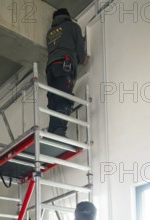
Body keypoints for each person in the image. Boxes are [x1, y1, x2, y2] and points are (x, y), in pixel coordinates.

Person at [45, 8, 89, 136]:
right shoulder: (72, 26)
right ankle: (58, 131)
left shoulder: (50, 33)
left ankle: (52, 131)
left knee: (53, 100)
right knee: (63, 99)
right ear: (67, 16)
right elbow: (80, 50)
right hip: (64, 64)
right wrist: (83, 59)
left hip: (50, 68)